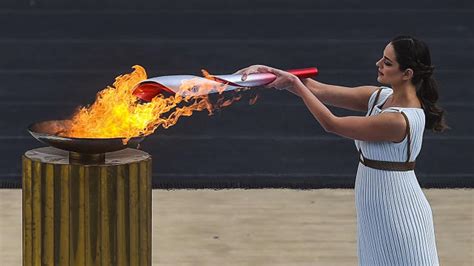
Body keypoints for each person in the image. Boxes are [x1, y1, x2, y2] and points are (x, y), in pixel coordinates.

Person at [235, 35, 448, 265]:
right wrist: (268, 72)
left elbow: (332, 123)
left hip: (398, 213)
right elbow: (318, 90)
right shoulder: (380, 97)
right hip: (376, 211)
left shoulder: (399, 120)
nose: (378, 64)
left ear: (407, 74)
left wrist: (294, 83)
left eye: (387, 62)